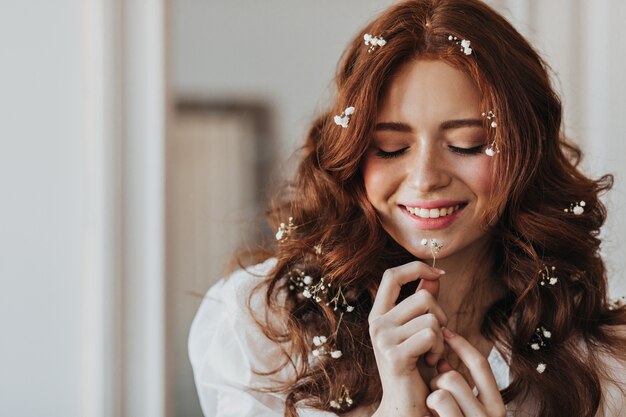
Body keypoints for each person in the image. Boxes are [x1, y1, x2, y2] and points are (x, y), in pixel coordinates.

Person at [188, 0, 626, 416]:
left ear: (525, 151)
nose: (424, 177)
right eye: (390, 148)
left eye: (466, 145)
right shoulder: (260, 328)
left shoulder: (607, 366)